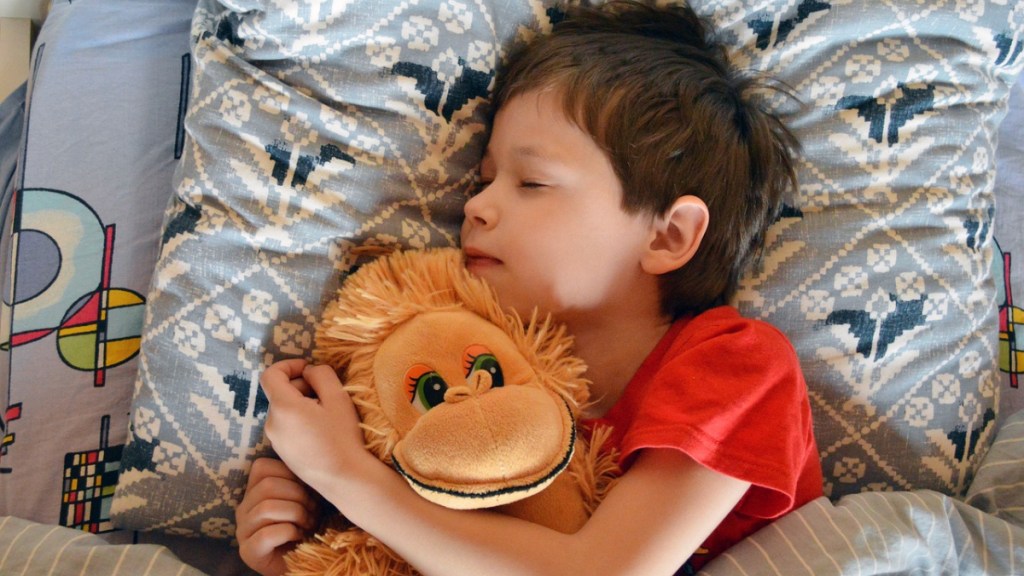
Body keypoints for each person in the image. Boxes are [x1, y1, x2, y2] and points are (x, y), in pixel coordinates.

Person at [236, 1, 823, 574]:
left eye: (533, 182)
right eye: (486, 178)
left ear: (668, 235)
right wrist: (304, 544)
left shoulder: (736, 365)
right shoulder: (466, 373)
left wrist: (347, 476)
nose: (477, 206)